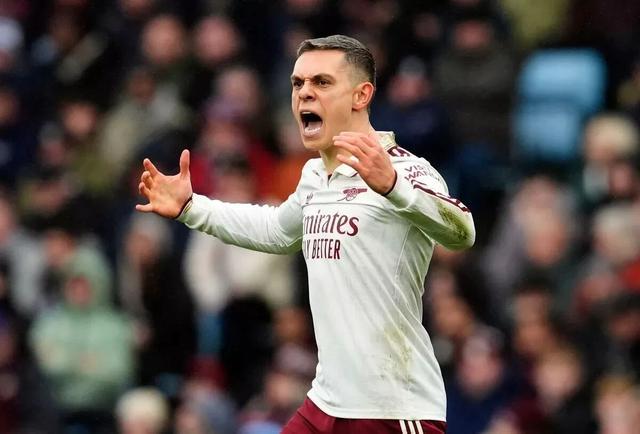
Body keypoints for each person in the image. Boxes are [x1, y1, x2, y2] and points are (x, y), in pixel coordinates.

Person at [136, 34, 475, 434]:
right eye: (298, 83)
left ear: (361, 95)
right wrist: (192, 208)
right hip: (327, 401)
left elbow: (462, 232)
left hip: (392, 407)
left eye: (322, 82)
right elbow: (276, 230)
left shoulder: (404, 169)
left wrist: (393, 187)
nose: (304, 94)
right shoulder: (315, 175)